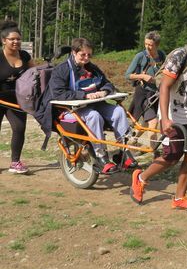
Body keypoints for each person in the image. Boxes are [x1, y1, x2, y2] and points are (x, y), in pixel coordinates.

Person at [130, 21, 187, 212]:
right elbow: (164, 86)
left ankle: (179, 197)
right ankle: (140, 178)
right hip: (172, 113)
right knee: (171, 157)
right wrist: (164, 119)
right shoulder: (181, 56)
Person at [36, 37, 136, 174]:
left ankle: (124, 153)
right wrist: (84, 95)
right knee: (94, 116)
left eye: (89, 55)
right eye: (83, 54)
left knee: (118, 111)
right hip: (70, 109)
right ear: (74, 53)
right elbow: (58, 93)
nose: (86, 58)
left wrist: (104, 91)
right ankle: (100, 156)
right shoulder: (62, 70)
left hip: (94, 104)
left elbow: (107, 83)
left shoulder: (92, 68)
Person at [0, 21, 34, 174]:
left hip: (17, 99)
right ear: (3, 40)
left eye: (18, 39)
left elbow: (35, 74)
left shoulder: (25, 55)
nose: (16, 42)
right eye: (12, 39)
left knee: (19, 128)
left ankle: (15, 163)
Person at [125, 31, 165, 133]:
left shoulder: (162, 55)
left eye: (150, 45)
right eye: (146, 44)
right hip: (143, 93)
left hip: (156, 94)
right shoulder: (140, 56)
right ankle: (152, 148)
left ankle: (133, 139)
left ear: (157, 45)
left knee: (147, 122)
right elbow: (127, 75)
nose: (147, 47)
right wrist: (142, 76)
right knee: (152, 122)